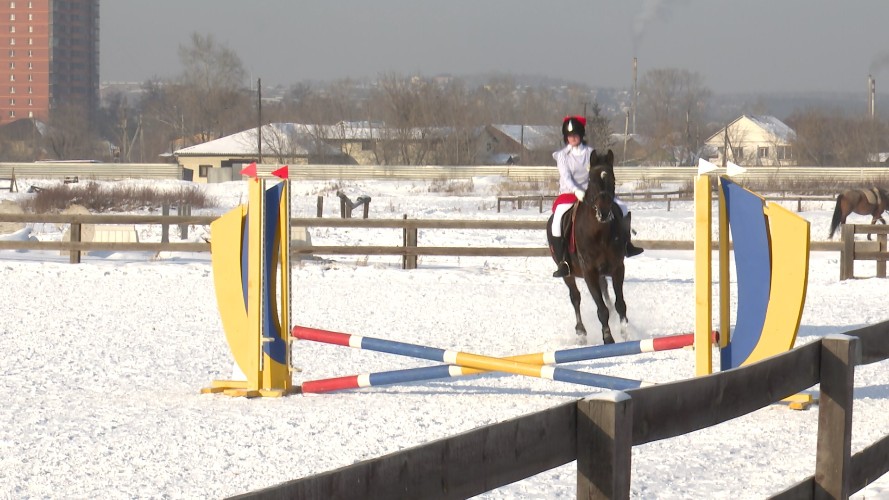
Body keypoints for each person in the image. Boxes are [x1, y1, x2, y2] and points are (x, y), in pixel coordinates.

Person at [548, 115, 643, 278]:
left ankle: (626, 244)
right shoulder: (562, 156)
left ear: (581, 135)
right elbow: (566, 177)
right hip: (569, 193)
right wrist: (577, 191)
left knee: (623, 208)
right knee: (557, 220)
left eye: (575, 135)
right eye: (570, 136)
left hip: (593, 193)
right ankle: (563, 261)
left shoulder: (590, 153)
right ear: (566, 137)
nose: (573, 138)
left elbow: (597, 173)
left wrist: (598, 189)